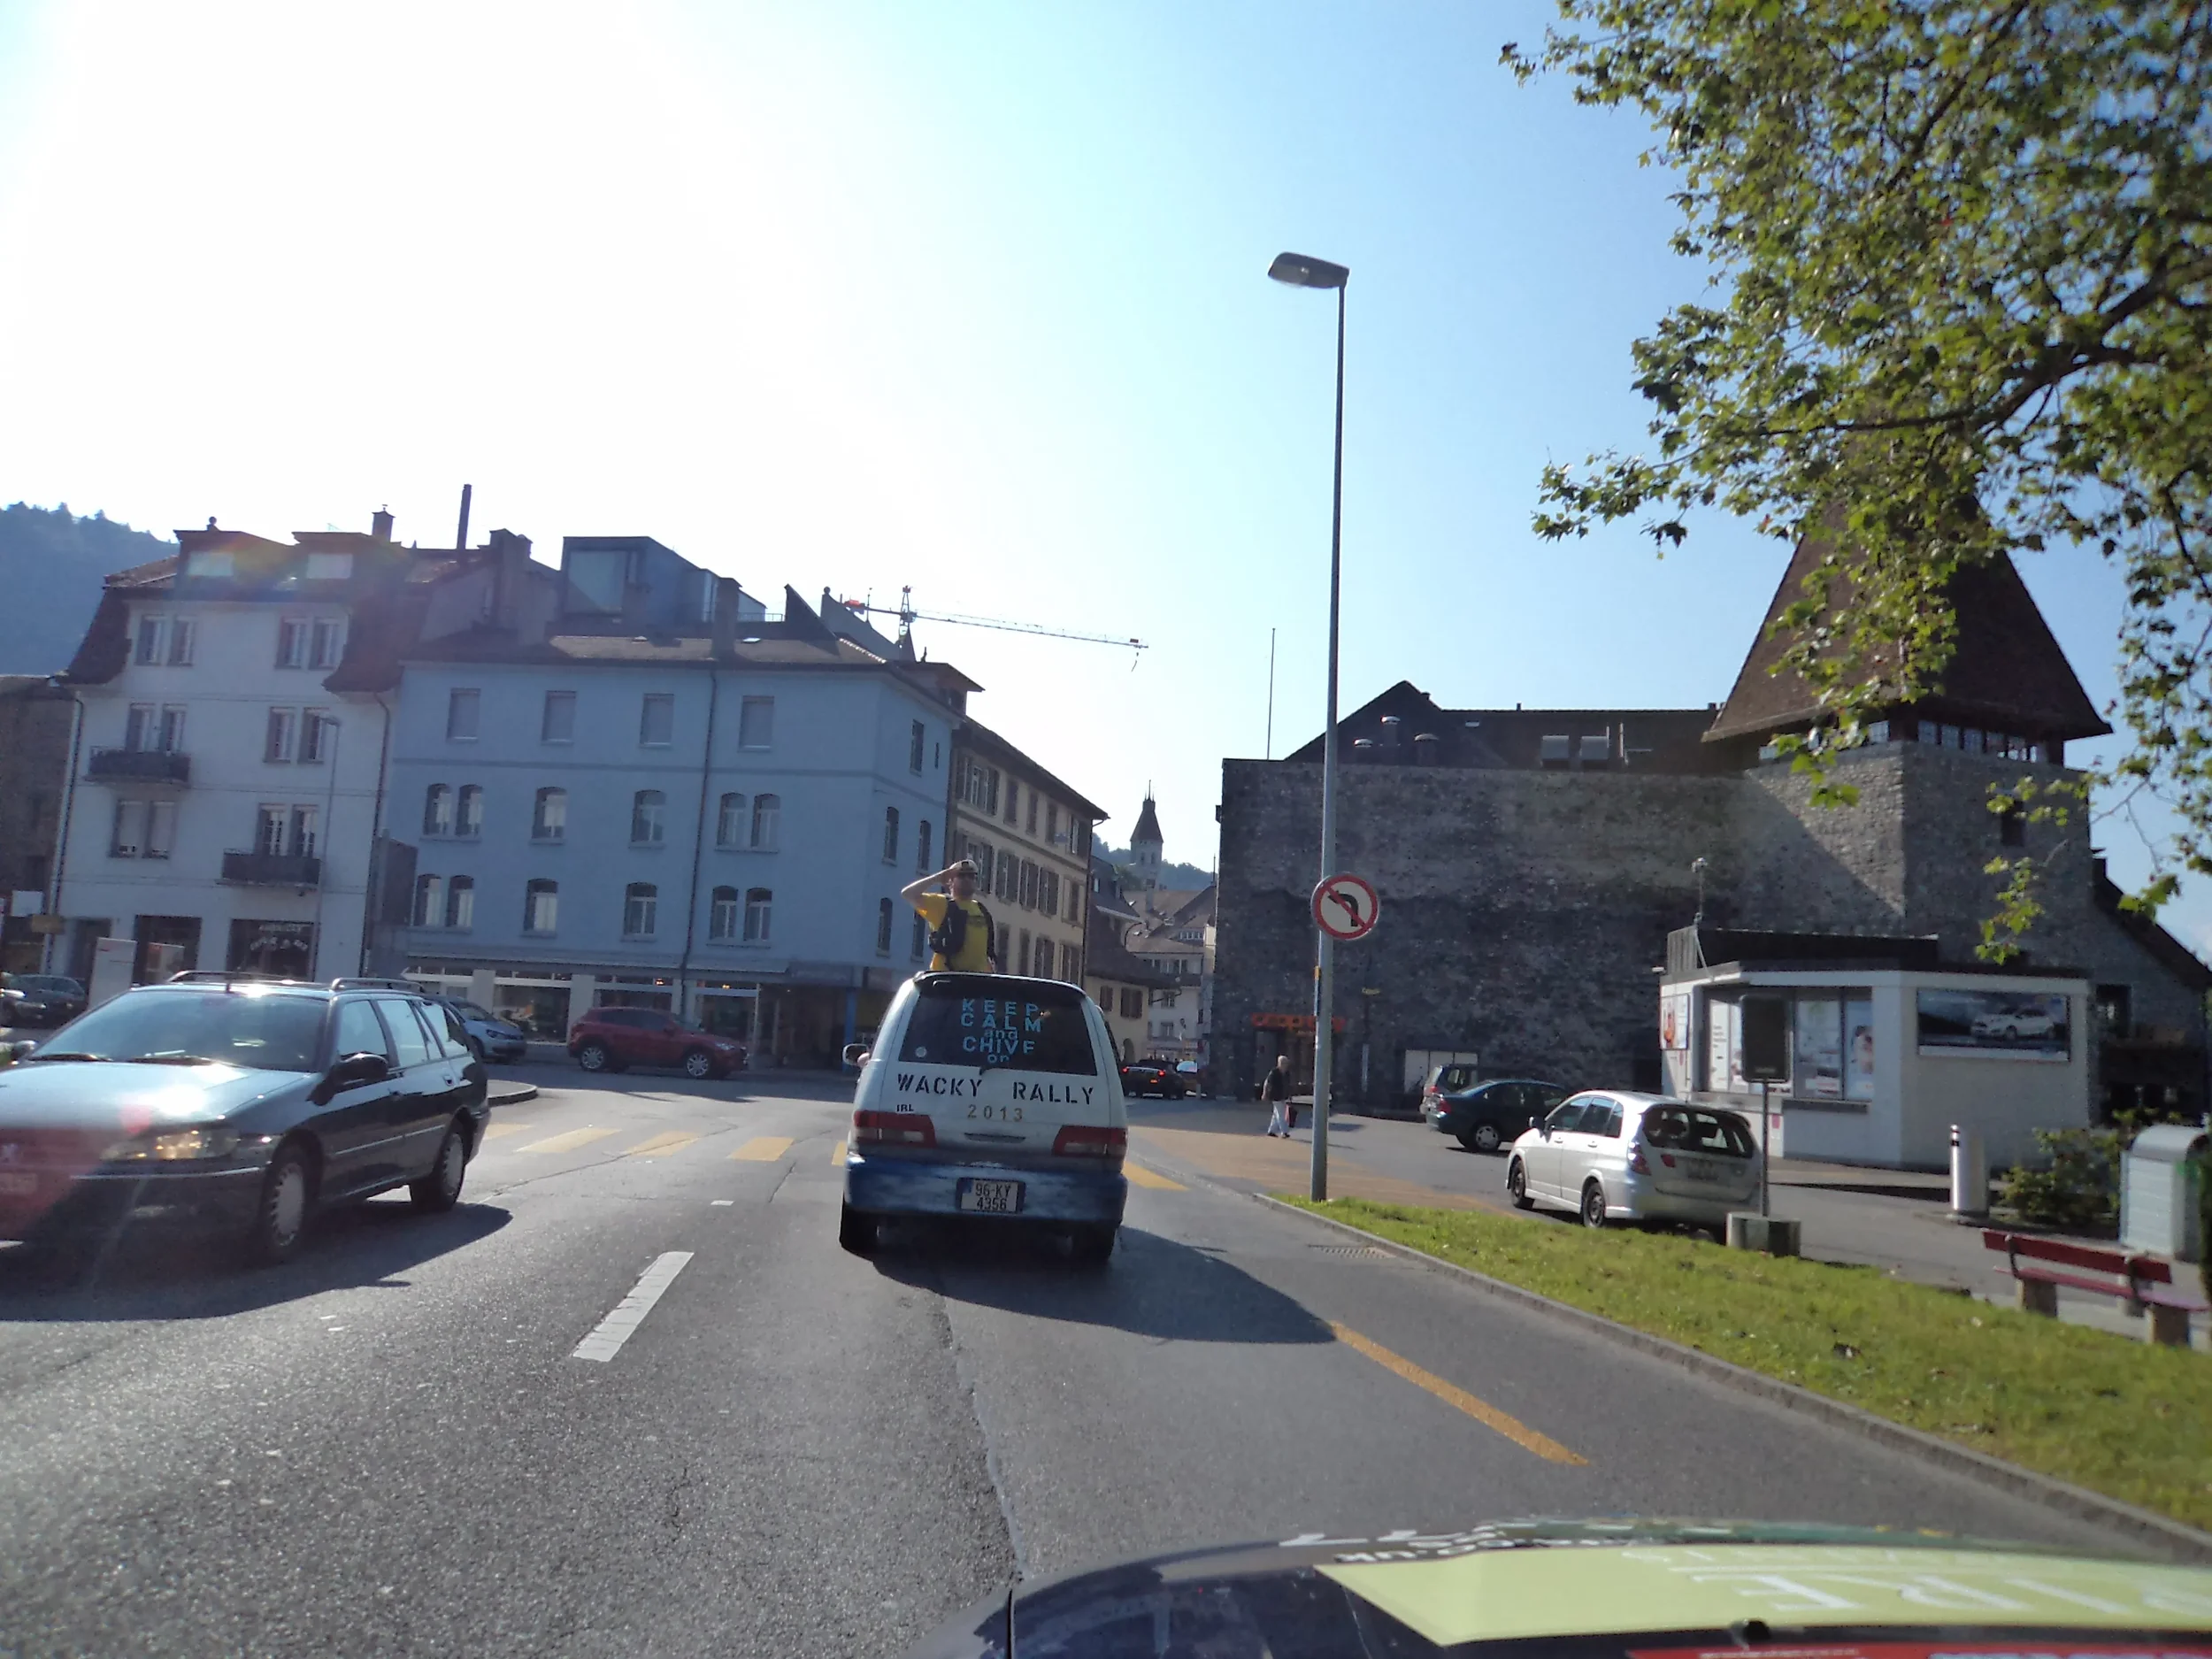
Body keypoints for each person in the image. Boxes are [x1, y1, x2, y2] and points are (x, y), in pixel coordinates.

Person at [902, 858, 1002, 973]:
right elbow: (908, 894)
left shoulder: (982, 910)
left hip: (975, 980)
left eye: (971, 876)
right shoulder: (942, 904)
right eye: (961, 875)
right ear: (951, 881)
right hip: (947, 978)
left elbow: (987, 953)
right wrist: (937, 878)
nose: (967, 879)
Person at [1261, 1053, 1294, 1138]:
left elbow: (1287, 1084)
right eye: (1283, 1063)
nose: (1285, 1065)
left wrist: (1289, 1095)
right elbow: (1267, 1083)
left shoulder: (1286, 1073)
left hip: (1283, 1096)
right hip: (1275, 1096)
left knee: (1276, 1114)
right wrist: (1265, 1093)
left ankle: (1271, 1131)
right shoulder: (1274, 1072)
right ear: (1279, 1063)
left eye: (1286, 1063)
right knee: (1281, 1114)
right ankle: (1284, 1132)